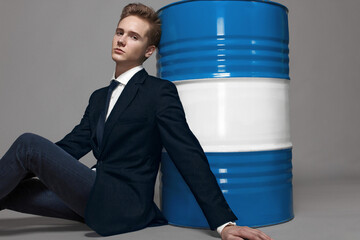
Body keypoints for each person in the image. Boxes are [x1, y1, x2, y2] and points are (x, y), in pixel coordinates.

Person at [0, 3, 273, 240]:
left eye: (133, 37)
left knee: (28, 144)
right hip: (90, 196)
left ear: (149, 50)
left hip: (121, 201)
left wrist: (223, 223)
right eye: (119, 32)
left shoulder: (159, 92)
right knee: (8, 186)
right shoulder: (98, 98)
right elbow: (68, 149)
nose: (121, 40)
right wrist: (29, 166)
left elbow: (187, 153)